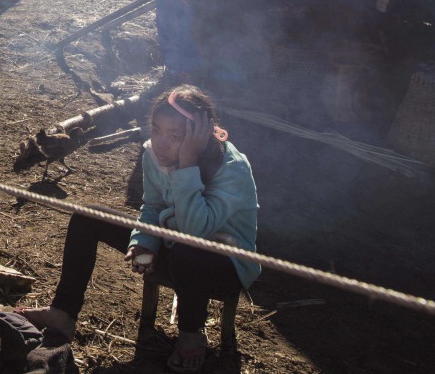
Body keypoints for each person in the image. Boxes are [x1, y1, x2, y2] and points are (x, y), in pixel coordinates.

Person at [19, 85, 259, 372]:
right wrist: (143, 239)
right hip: (172, 245)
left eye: (174, 136)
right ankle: (63, 314)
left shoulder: (233, 169)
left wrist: (187, 164)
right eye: (156, 129)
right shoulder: (153, 155)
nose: (160, 142)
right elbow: (153, 206)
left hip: (221, 265)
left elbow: (196, 230)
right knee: (87, 217)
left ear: (200, 136)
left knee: (187, 249)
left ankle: (191, 334)